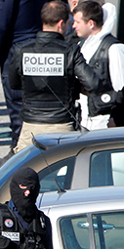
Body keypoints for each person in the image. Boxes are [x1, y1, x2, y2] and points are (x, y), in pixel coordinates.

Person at [8, 1, 99, 154]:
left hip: (30, 125)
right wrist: (72, 85)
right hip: (62, 126)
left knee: (26, 172)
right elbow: (93, 84)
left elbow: (14, 84)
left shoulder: (22, 50)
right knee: (63, 172)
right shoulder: (70, 51)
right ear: (61, 23)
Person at [0, 0, 46, 163]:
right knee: (38, 98)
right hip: (39, 41)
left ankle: (19, 150)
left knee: (16, 100)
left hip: (17, 45)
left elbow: (0, 17)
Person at [73, 0, 124, 130]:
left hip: (103, 120)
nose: (74, 26)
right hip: (82, 119)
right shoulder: (81, 46)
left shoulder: (113, 48)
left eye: (78, 22)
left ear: (91, 24)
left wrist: (117, 119)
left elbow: (121, 88)